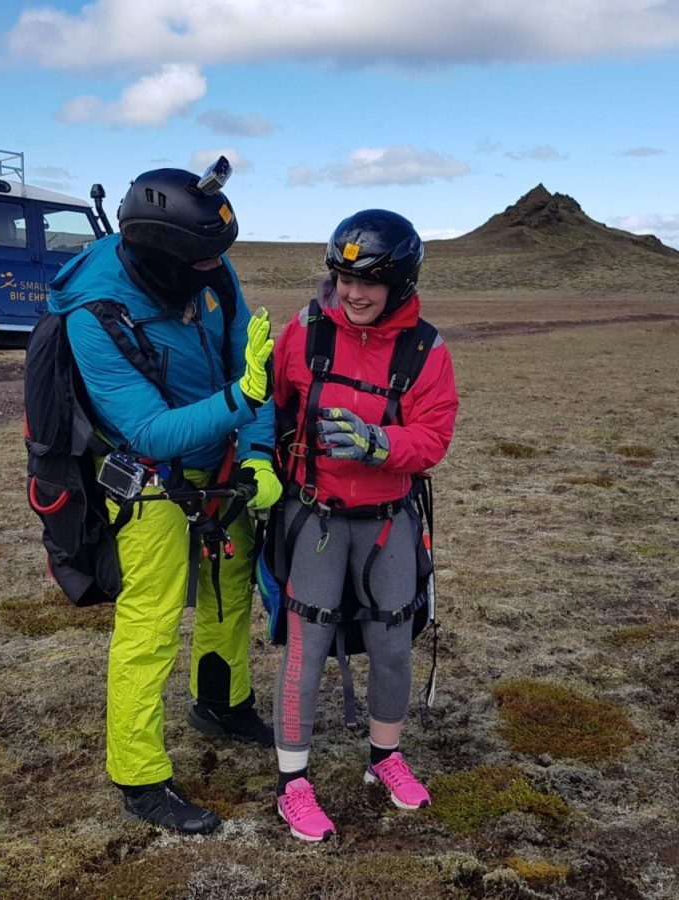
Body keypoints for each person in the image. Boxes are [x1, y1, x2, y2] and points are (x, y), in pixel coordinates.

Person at [45, 166, 282, 835]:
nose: (218, 269)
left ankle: (222, 703)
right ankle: (140, 776)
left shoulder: (210, 274)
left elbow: (248, 360)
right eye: (205, 258)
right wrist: (244, 403)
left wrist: (259, 452)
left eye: (221, 257)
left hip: (224, 470)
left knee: (229, 592)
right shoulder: (93, 315)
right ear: (160, 252)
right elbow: (147, 428)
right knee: (148, 629)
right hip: (147, 481)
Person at [268, 209, 459, 841]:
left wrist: (380, 443)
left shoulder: (427, 350)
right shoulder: (304, 333)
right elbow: (269, 410)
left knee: (392, 648)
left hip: (386, 524)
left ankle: (386, 759)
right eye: (343, 278)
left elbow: (433, 438)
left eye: (369, 283)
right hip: (315, 518)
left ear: (401, 284)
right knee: (307, 650)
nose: (352, 294)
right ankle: (292, 783)